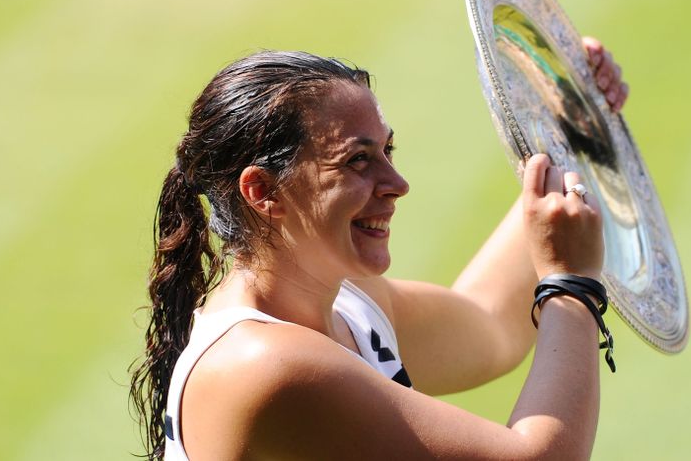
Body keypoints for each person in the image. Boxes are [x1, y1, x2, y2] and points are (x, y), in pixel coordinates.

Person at [129, 37, 628, 460]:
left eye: (387, 151)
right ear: (263, 192)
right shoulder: (265, 365)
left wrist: (566, 123)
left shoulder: (353, 303)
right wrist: (571, 285)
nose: (397, 183)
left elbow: (492, 324)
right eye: (357, 160)